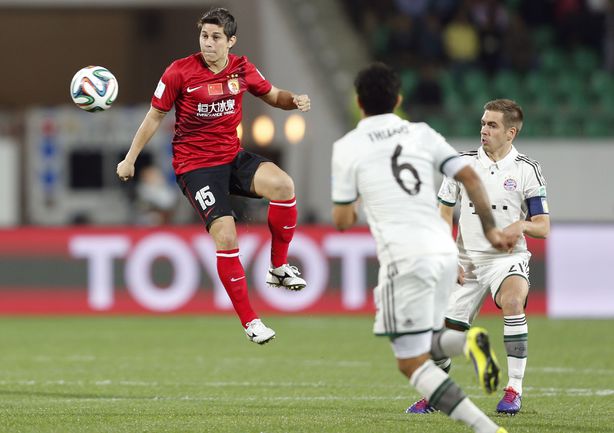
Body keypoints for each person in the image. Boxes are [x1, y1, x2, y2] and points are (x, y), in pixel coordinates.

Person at [331, 62, 514, 433]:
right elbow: (468, 176)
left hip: (404, 257)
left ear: (358, 103)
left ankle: (476, 381)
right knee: (426, 343)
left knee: (410, 361)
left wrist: (358, 199)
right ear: (398, 100)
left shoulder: (347, 147)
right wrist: (492, 230)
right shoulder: (422, 133)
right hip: (444, 251)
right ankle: (466, 348)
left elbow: (343, 220)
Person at [116, 8, 310, 345]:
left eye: (215, 37)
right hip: (196, 167)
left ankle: (278, 268)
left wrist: (293, 100)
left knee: (283, 185)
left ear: (231, 41)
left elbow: (273, 95)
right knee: (226, 235)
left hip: (231, 157)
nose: (207, 43)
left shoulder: (242, 68)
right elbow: (154, 117)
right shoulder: (179, 72)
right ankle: (251, 321)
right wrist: (130, 159)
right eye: (204, 36)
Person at [407, 99, 550, 415]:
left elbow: (542, 227)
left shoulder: (527, 170)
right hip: (466, 262)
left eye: (492, 125)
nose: (484, 130)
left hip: (506, 259)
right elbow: (444, 212)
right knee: (437, 341)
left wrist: (522, 224)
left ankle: (514, 389)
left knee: (512, 301)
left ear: (510, 133)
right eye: (483, 123)